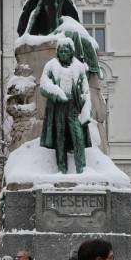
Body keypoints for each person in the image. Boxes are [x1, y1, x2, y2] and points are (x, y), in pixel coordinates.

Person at [39, 40, 92, 174]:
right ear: (58, 52)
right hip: (58, 107)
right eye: (61, 51)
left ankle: (82, 168)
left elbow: (86, 90)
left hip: (74, 107)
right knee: (60, 137)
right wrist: (56, 94)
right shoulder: (51, 65)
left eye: (66, 51)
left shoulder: (79, 67)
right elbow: (43, 85)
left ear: (71, 52)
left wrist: (85, 106)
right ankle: (61, 168)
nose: (63, 54)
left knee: (78, 136)